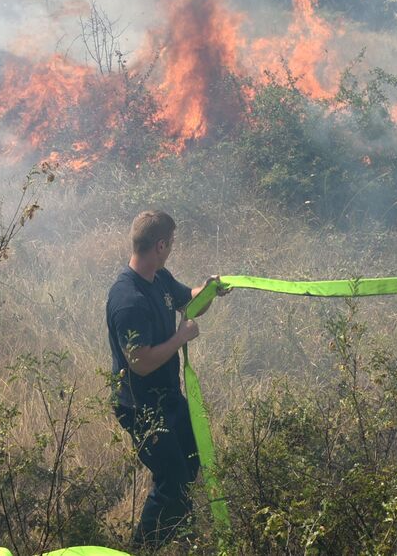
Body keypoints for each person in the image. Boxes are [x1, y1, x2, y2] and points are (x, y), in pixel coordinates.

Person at [106, 210, 228, 546]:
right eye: (171, 242)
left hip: (167, 397)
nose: (172, 248)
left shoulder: (158, 278)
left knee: (191, 463)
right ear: (160, 244)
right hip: (140, 407)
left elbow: (188, 300)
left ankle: (177, 537)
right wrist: (180, 338)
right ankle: (142, 549)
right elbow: (140, 363)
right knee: (172, 481)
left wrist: (210, 289)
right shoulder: (128, 300)